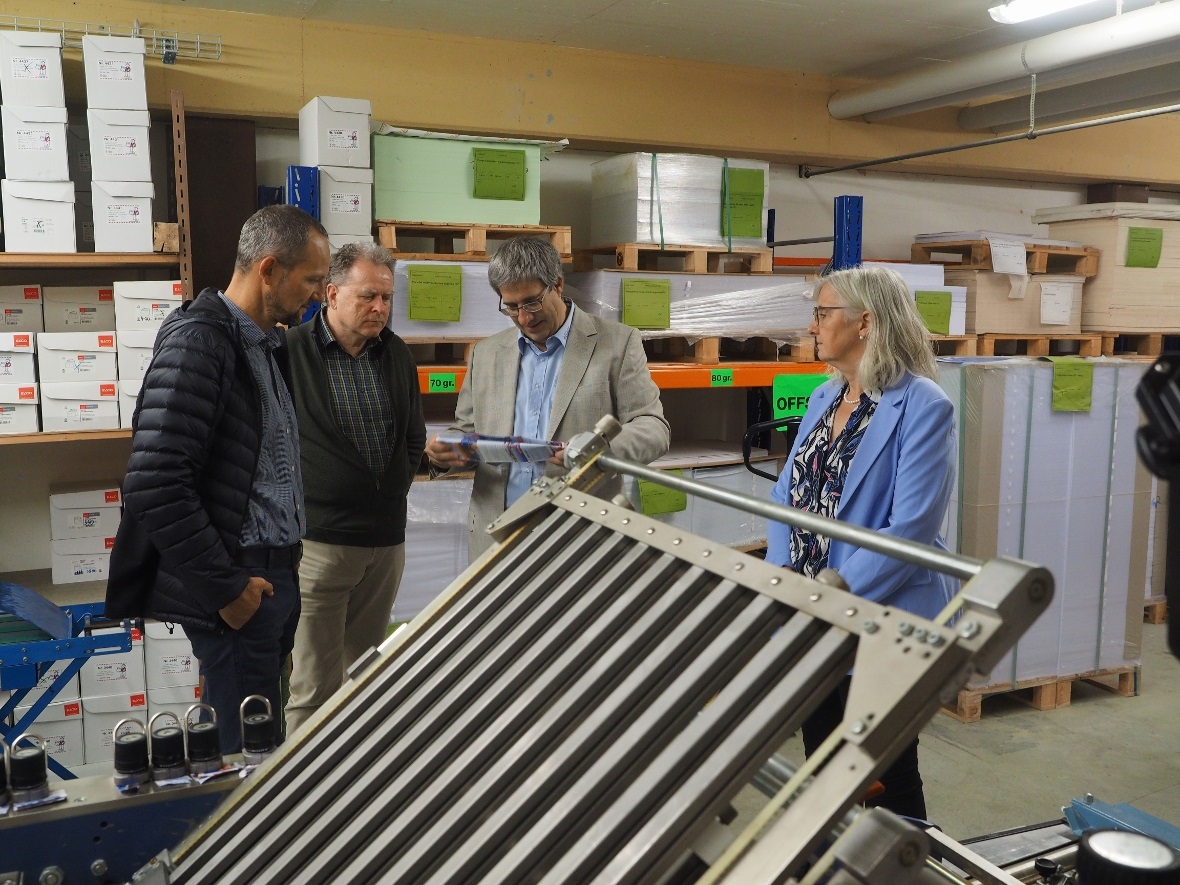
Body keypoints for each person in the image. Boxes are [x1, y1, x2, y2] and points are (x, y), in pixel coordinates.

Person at [106, 205, 330, 754]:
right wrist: (226, 589)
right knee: (241, 765)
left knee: (262, 752)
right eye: (313, 279)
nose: (319, 295)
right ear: (269, 269)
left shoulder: (265, 343)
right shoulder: (201, 342)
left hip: (272, 581)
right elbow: (154, 483)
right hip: (239, 585)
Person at [765, 264, 956, 821]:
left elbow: (910, 528)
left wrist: (835, 596)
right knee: (822, 764)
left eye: (824, 313)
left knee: (884, 775)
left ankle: (904, 865)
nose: (813, 325)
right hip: (812, 614)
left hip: (879, 616)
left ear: (866, 322)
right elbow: (784, 496)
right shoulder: (825, 394)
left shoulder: (923, 405)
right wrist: (787, 588)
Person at [425, 236, 670, 558]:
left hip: (581, 538)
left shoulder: (617, 343)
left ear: (557, 284)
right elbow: (467, 429)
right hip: (497, 536)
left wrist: (600, 450)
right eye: (511, 307)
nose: (524, 318)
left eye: (531, 302)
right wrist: (446, 452)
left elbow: (653, 426)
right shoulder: (486, 354)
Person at [284, 243, 426, 734]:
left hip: (385, 544)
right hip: (320, 545)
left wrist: (391, 491)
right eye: (368, 297)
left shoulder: (396, 353)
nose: (380, 309)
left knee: (367, 676)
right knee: (313, 685)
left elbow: (413, 437)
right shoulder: (290, 353)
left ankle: (357, 786)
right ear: (331, 293)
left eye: (386, 298)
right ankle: (302, 793)